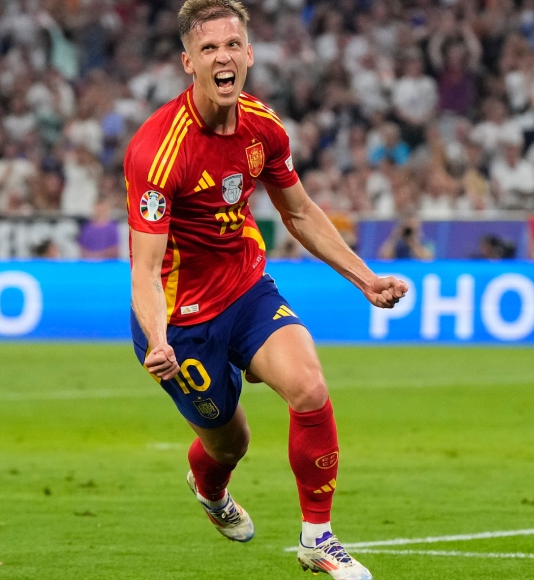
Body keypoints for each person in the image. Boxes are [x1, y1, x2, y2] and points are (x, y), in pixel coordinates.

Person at [125, 2, 407, 579]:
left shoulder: (264, 126)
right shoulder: (157, 151)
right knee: (230, 444)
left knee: (308, 385)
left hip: (247, 287)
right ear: (188, 63)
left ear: (249, 54)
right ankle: (209, 488)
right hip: (181, 322)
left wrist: (366, 279)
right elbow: (146, 267)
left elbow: (298, 212)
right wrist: (157, 339)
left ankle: (318, 540)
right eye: (208, 49)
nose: (223, 56)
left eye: (232, 45)